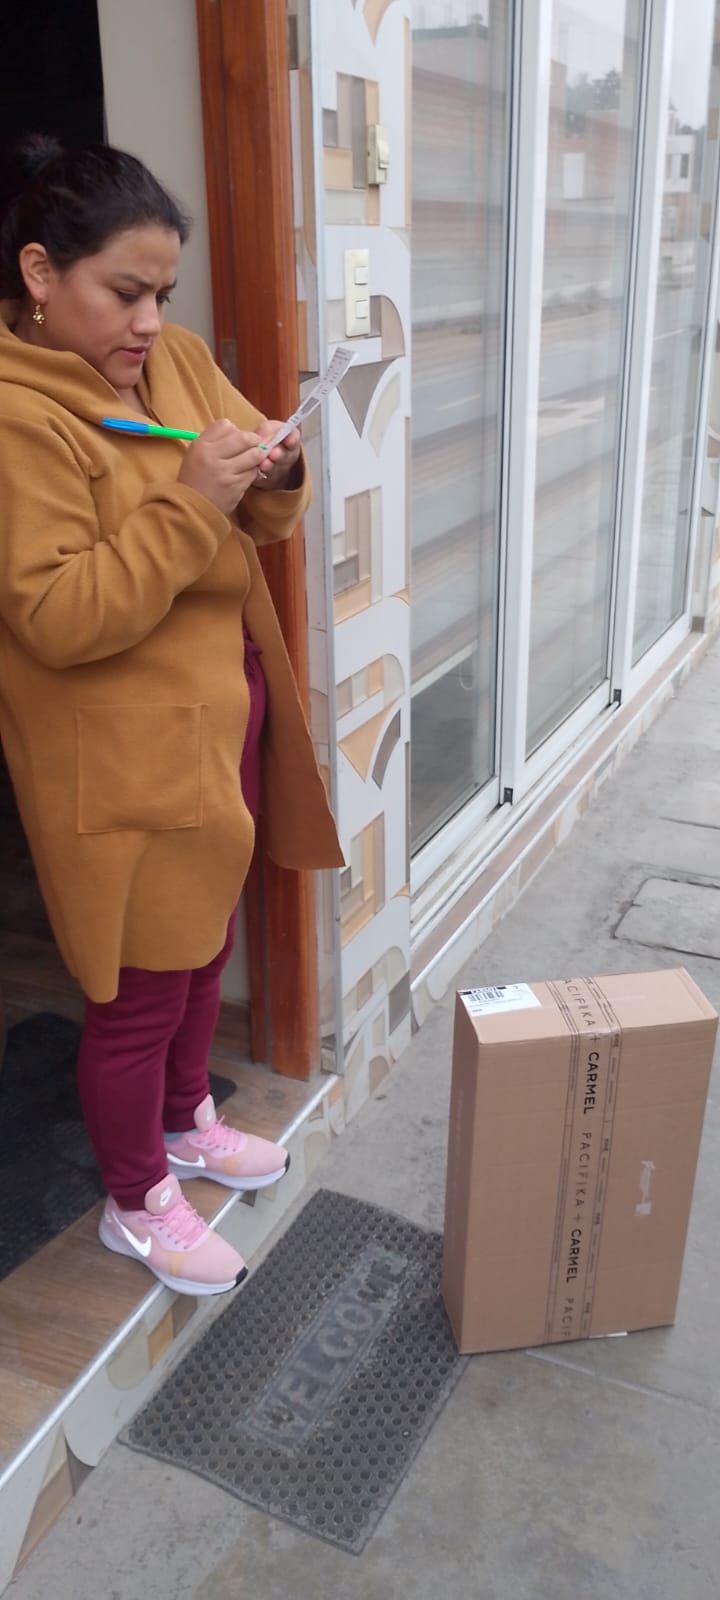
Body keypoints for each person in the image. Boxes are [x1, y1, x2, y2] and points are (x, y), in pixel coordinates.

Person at [0, 136, 343, 1297]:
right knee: (136, 994)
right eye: (125, 292)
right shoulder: (18, 419)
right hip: (119, 758)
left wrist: (275, 469)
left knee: (205, 949)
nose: (150, 321)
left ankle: (188, 1120)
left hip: (220, 718)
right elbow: (57, 615)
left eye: (163, 293)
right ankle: (137, 1197)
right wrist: (195, 500)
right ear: (40, 274)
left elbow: (256, 504)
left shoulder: (180, 362)